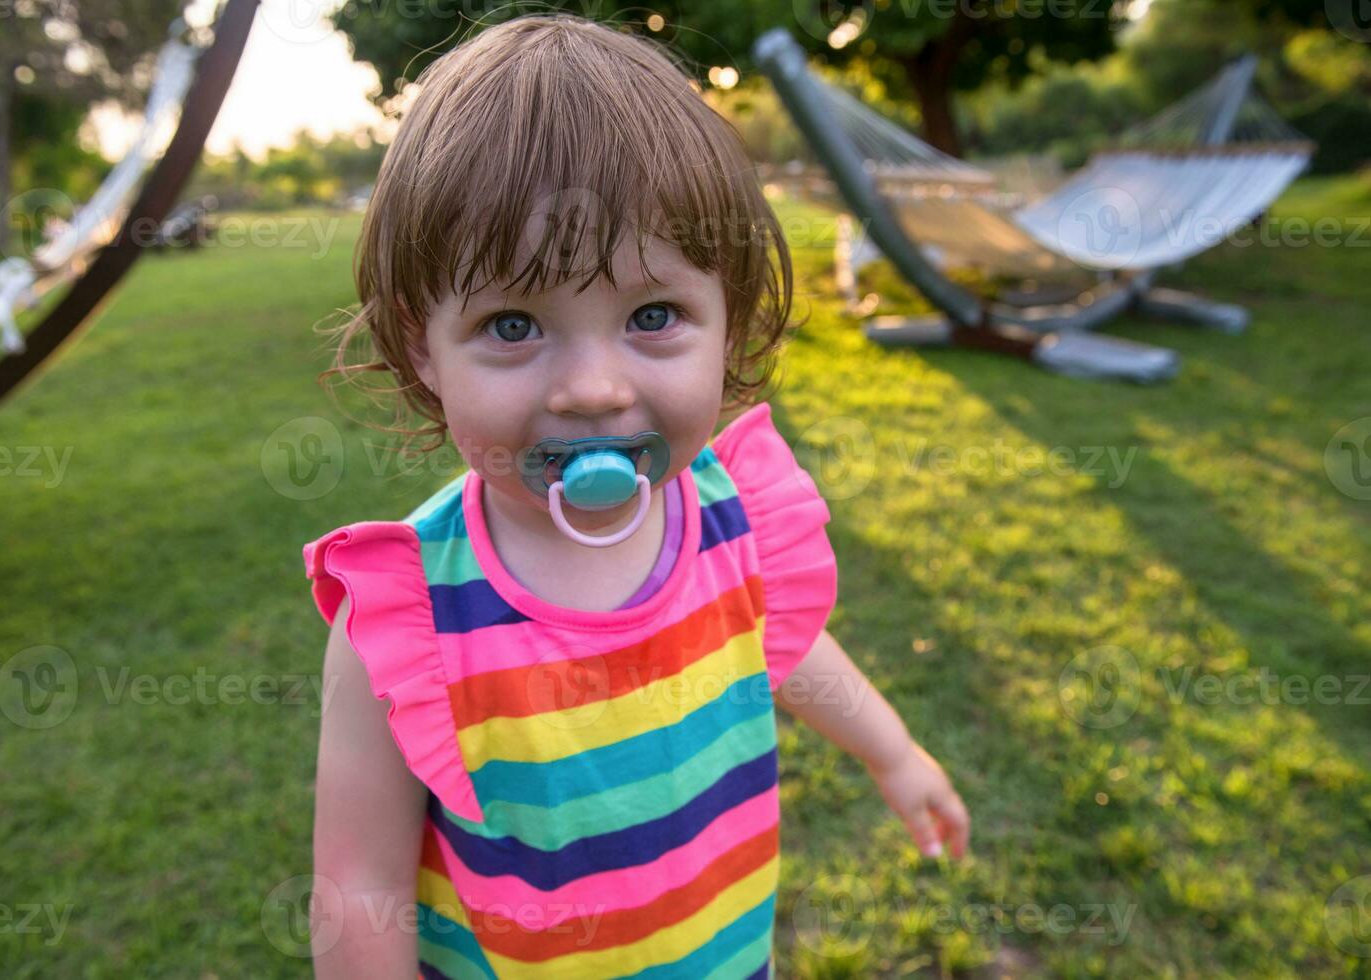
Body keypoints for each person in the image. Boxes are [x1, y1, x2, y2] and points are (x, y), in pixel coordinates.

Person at [303, 13, 970, 978]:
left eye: (652, 316)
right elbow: (357, 882)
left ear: (724, 319)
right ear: (422, 345)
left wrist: (894, 753)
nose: (593, 388)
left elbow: (783, 646)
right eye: (513, 322)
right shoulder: (405, 617)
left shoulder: (728, 517)